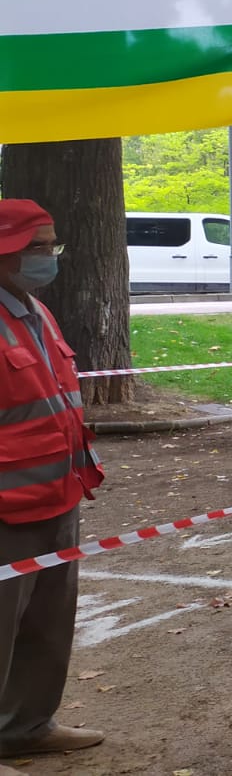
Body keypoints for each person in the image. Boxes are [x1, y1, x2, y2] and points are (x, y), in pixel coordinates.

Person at [0, 200, 106, 769]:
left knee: (47, 624)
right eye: (38, 246)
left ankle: (24, 728)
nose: (49, 257)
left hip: (56, 494)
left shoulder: (35, 311)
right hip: (5, 508)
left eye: (51, 244)